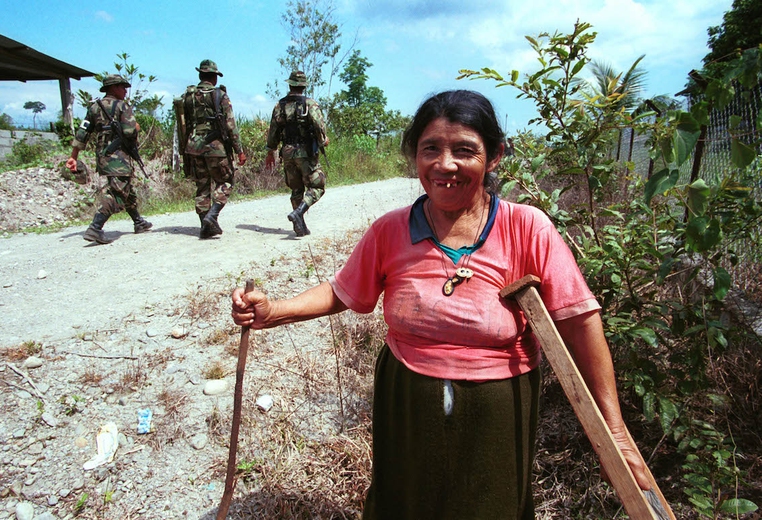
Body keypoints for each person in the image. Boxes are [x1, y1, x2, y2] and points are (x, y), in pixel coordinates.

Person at [232, 90, 651, 519]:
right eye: (430, 149)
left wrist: (615, 433)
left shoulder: (527, 228)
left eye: (464, 151)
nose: (444, 165)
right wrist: (274, 311)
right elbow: (343, 291)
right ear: (415, 156)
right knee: (403, 506)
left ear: (494, 156)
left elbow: (579, 322)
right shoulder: (390, 230)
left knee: (492, 510)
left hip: (497, 410)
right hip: (406, 400)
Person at [66, 74, 152, 244]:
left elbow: (82, 133)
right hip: (119, 157)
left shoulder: (94, 108)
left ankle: (138, 221)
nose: (125, 91)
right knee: (117, 193)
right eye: (122, 87)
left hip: (103, 155)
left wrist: (73, 156)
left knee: (126, 189)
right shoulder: (122, 106)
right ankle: (95, 227)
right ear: (113, 88)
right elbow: (129, 131)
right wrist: (136, 127)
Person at [181, 59, 246, 239]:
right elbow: (231, 125)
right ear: (214, 77)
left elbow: (185, 124)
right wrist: (239, 150)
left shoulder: (188, 96)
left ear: (200, 75)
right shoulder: (220, 95)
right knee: (226, 181)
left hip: (194, 147)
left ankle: (205, 225)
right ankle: (212, 215)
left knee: (202, 186)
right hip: (216, 148)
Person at [265, 71, 329, 237]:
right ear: (303, 86)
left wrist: (271, 151)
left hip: (287, 152)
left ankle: (300, 225)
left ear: (290, 85)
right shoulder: (310, 104)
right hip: (305, 152)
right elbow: (318, 124)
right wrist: (323, 140)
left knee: (296, 189)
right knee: (317, 185)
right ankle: (299, 212)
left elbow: (273, 131)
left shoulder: (280, 106)